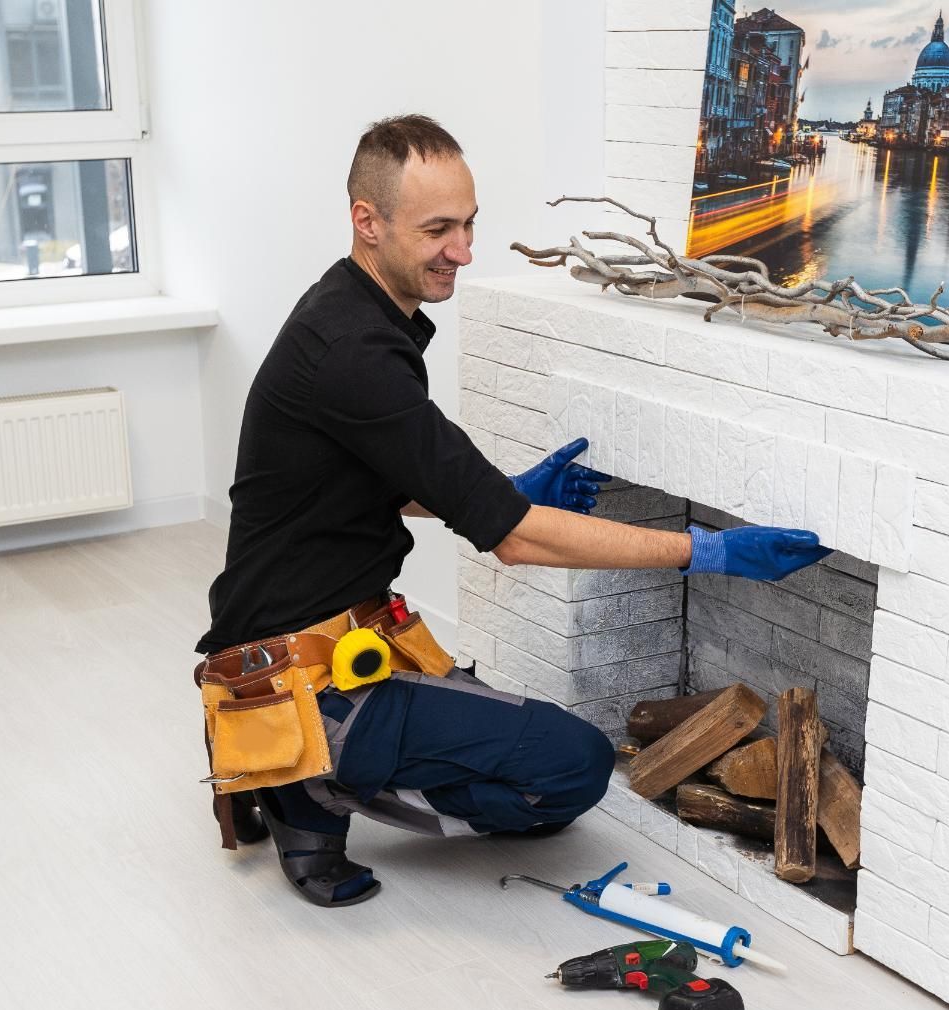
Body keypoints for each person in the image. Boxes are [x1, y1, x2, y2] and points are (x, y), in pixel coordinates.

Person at [195, 114, 830, 907]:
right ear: (368, 221)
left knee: (527, 747)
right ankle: (305, 782)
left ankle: (306, 761)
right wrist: (710, 552)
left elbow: (366, 481)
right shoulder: (353, 354)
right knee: (575, 768)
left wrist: (505, 492)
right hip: (302, 669)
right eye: (438, 230)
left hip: (315, 635)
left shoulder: (350, 315)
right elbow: (518, 545)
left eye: (468, 225)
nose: (463, 251)